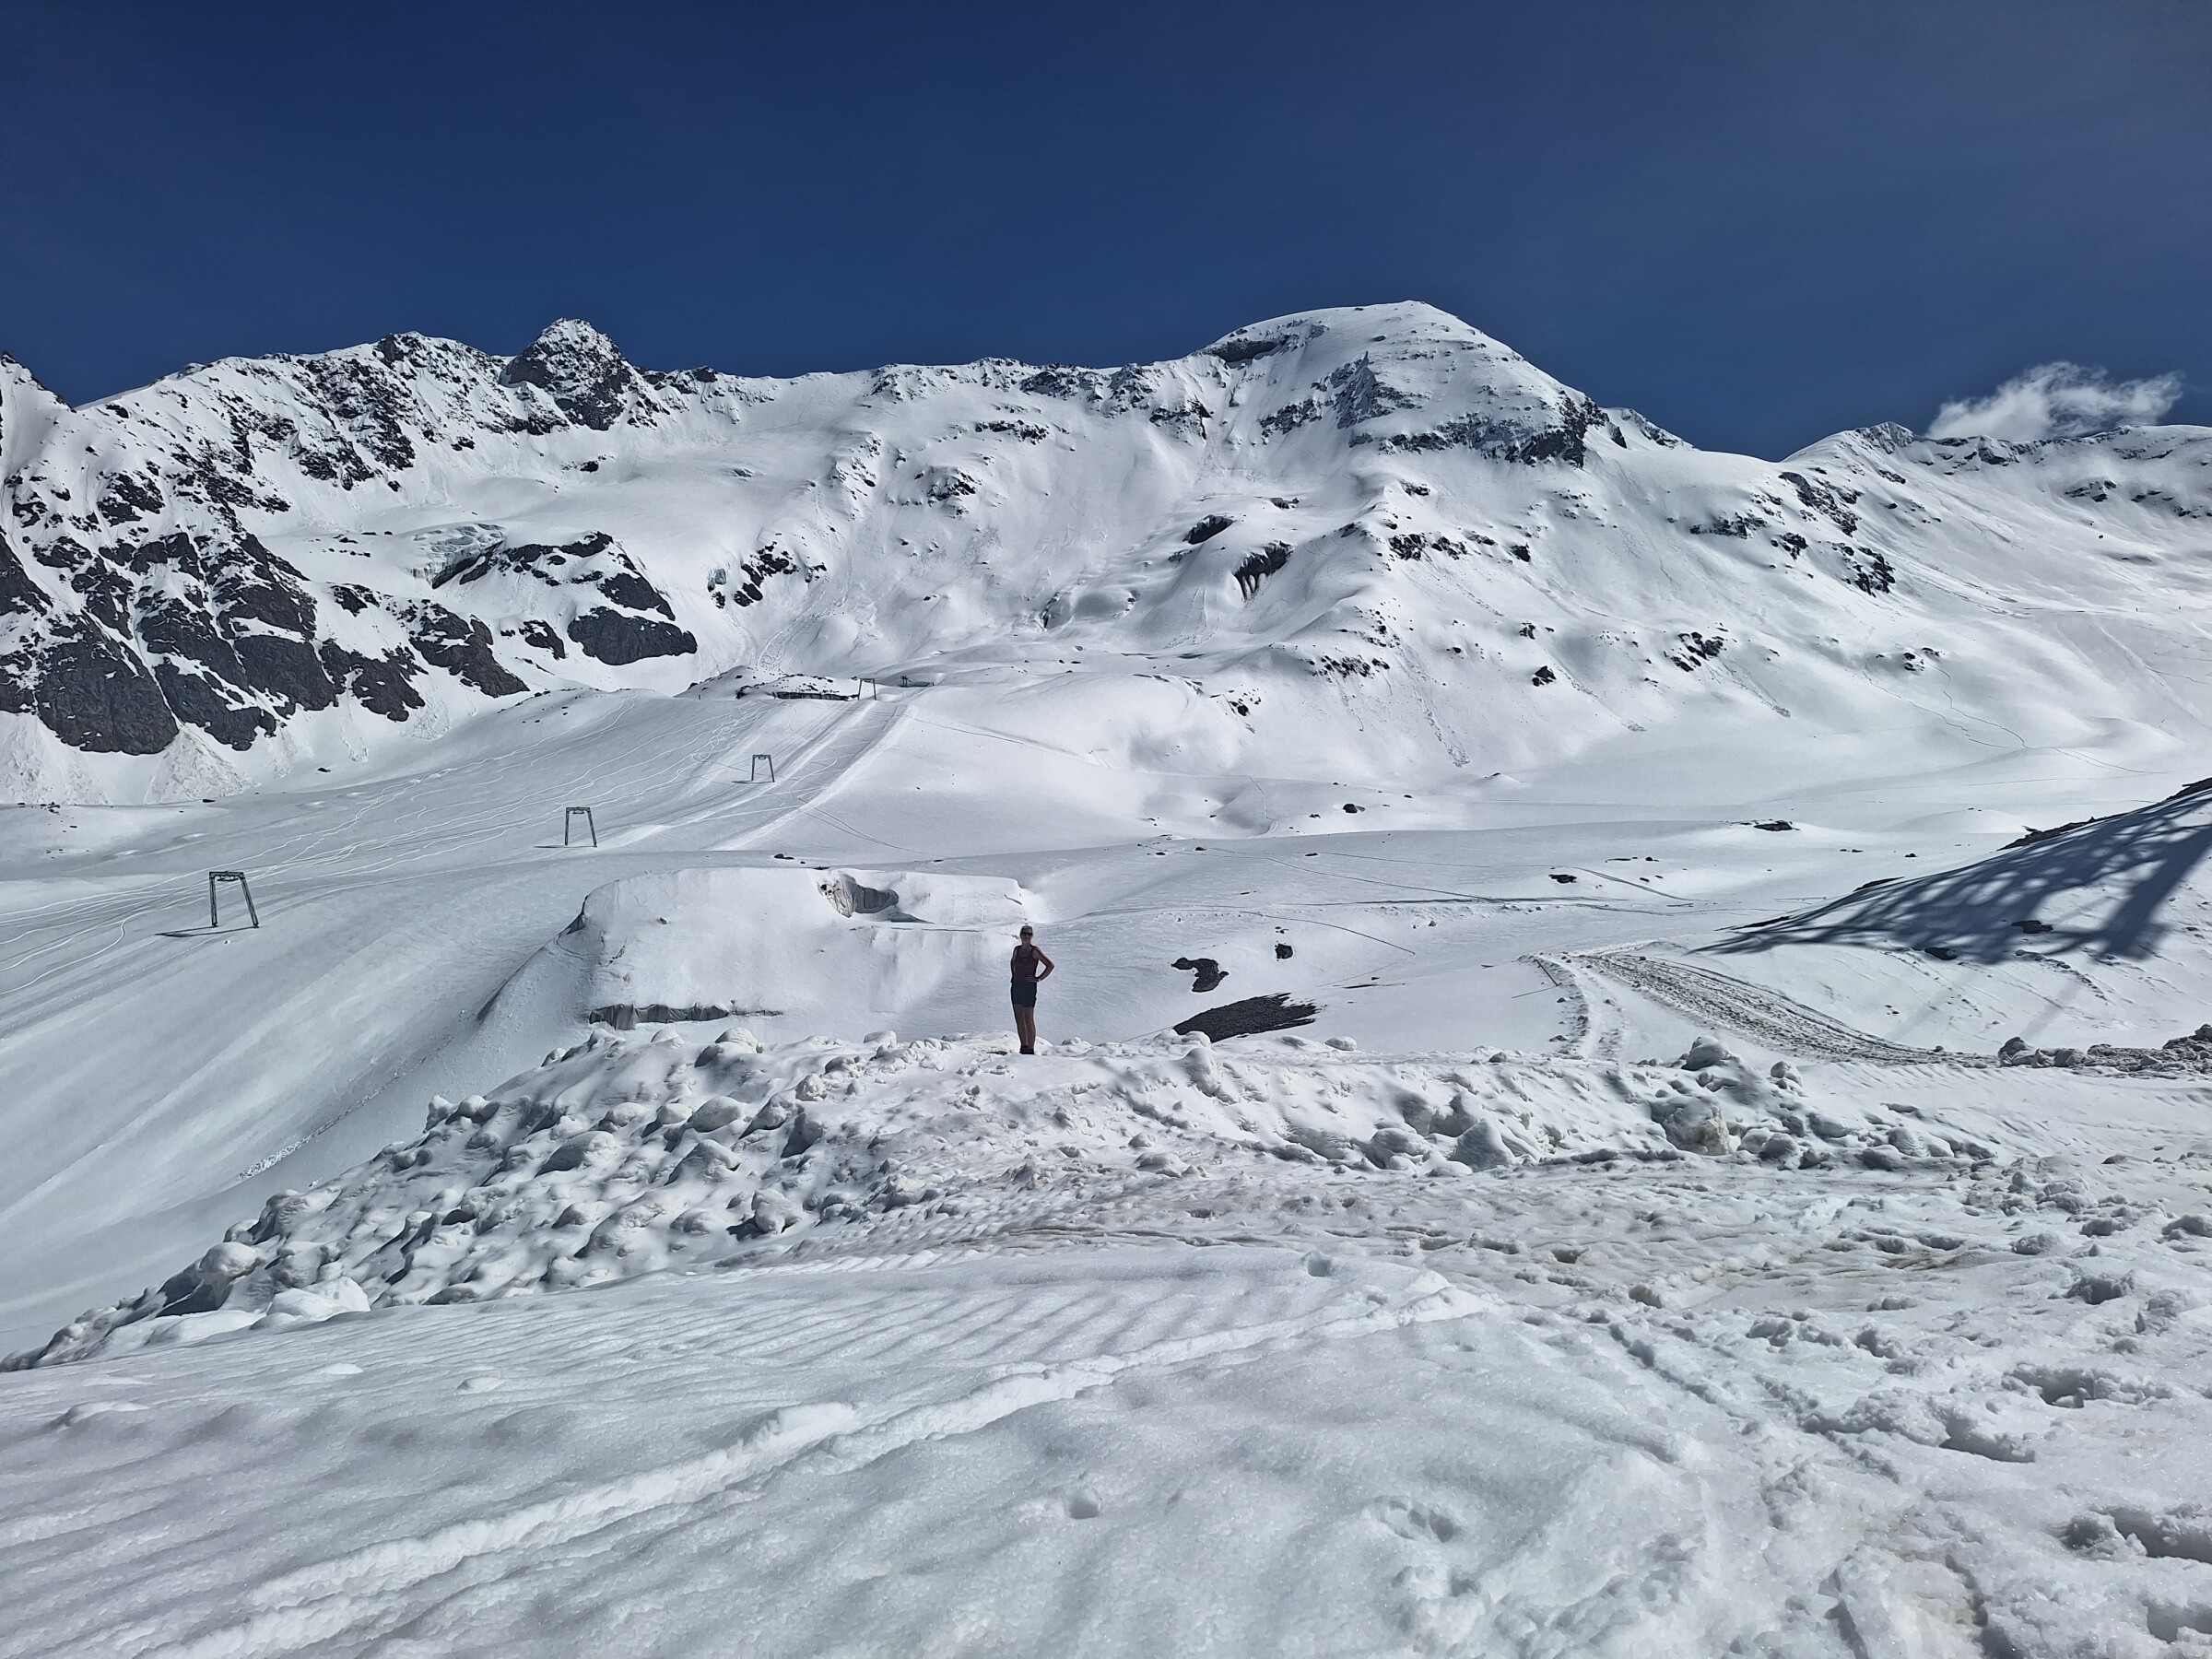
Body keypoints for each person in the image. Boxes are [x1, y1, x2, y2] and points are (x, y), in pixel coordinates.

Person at [1009, 924, 1054, 1053]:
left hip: (1029, 987)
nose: (1026, 936)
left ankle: (1030, 1048)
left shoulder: (1035, 951)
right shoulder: (1017, 950)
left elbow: (1050, 965)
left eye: (1029, 934)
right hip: (1017, 986)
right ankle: (1023, 1046)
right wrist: (1014, 977)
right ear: (1020, 935)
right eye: (1024, 934)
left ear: (1032, 936)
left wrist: (1038, 978)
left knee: (1028, 1018)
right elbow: (1012, 962)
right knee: (1019, 1017)